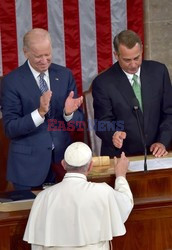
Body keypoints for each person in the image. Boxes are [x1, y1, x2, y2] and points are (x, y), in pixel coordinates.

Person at [1, 28, 84, 190]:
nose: (44, 60)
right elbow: (10, 128)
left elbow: (78, 125)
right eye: (39, 56)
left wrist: (69, 113)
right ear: (26, 52)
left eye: (48, 55)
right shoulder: (11, 82)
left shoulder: (65, 75)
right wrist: (39, 113)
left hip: (63, 166)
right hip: (27, 169)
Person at [23, 141, 133, 250]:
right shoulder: (102, 191)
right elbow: (125, 203)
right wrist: (121, 176)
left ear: (63, 164)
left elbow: (37, 244)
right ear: (90, 166)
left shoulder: (43, 197)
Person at [92, 29, 172, 158]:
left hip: (157, 154)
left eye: (137, 58)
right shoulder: (103, 83)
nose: (133, 65)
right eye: (127, 60)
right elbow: (102, 122)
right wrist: (113, 134)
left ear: (141, 51)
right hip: (122, 155)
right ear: (116, 55)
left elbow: (169, 112)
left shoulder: (159, 71)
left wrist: (162, 141)